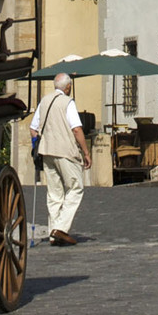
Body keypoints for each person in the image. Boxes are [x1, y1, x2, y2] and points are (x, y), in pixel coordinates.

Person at [30, 69, 90, 245]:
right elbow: (77, 129)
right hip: (65, 151)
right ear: (68, 86)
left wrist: (39, 143)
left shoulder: (45, 101)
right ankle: (61, 228)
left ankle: (52, 233)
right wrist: (86, 152)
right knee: (76, 187)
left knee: (54, 193)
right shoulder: (67, 102)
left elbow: (33, 128)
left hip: (47, 151)